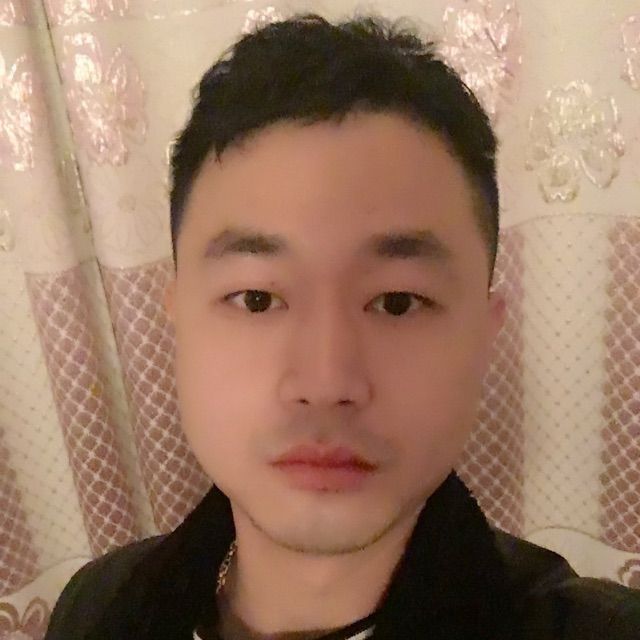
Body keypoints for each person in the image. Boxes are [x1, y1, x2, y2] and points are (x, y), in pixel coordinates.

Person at [44, 13, 639, 640]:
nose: (325, 383)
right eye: (256, 299)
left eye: (398, 302)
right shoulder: (98, 606)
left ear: (484, 336)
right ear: (179, 318)